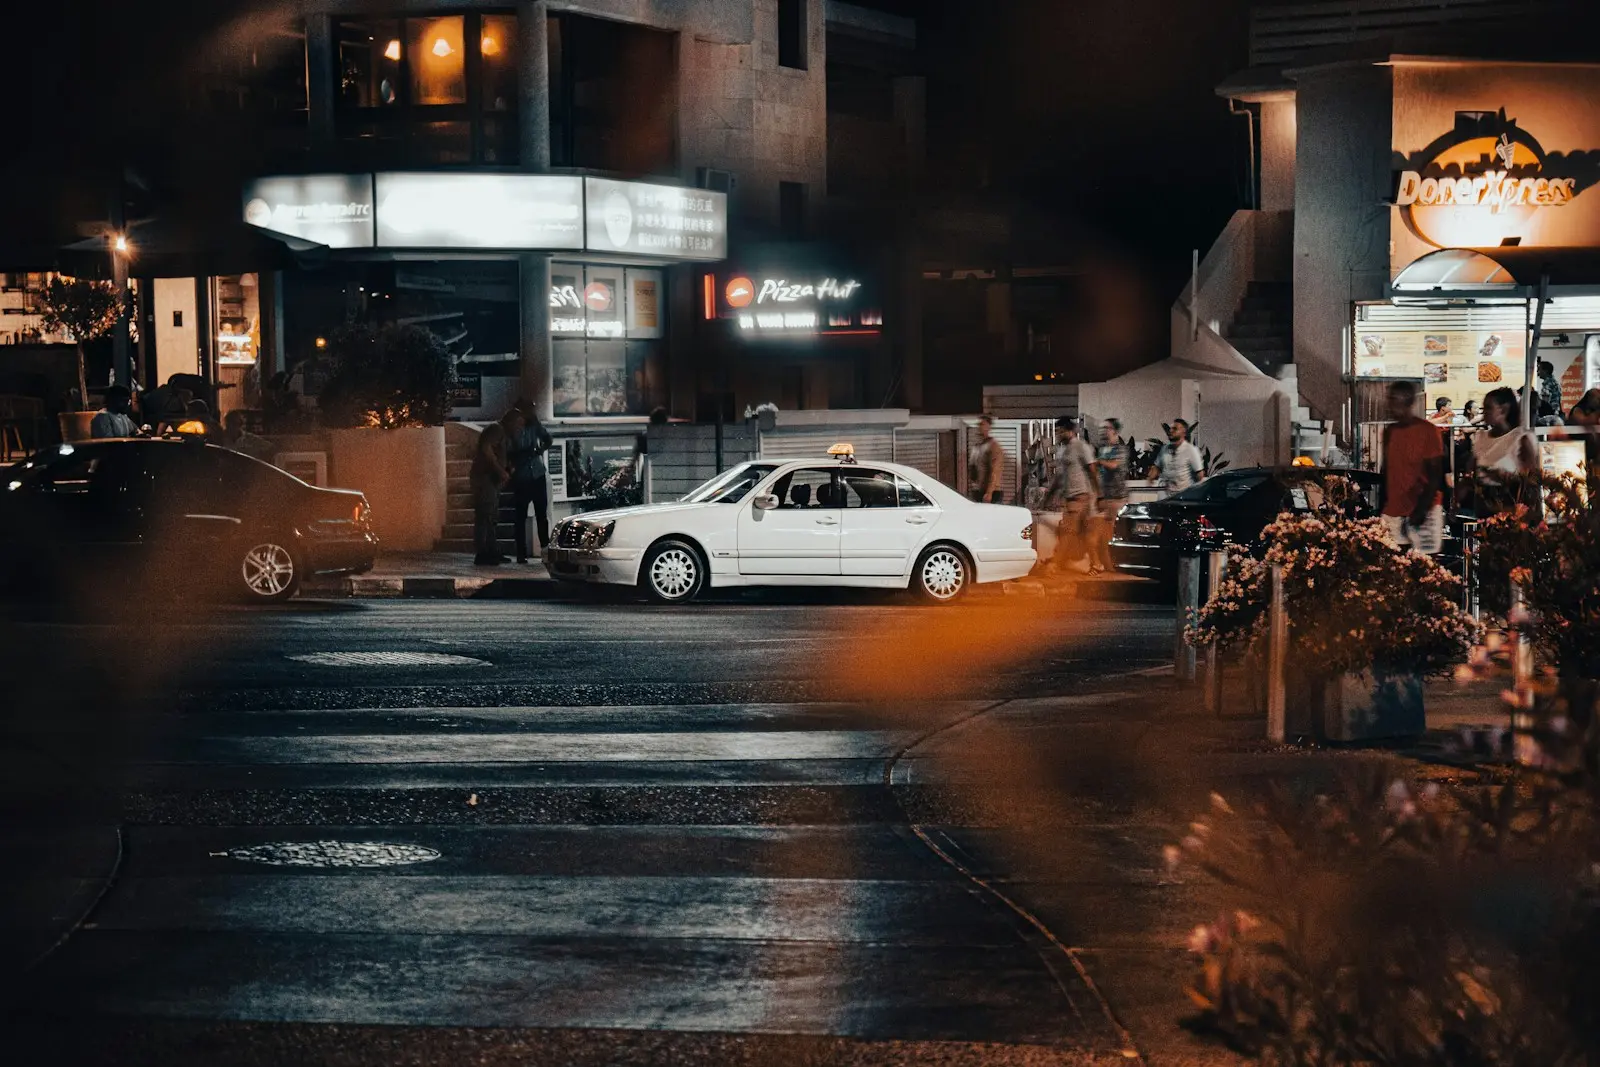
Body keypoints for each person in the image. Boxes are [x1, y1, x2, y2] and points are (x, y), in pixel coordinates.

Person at [1378, 380, 1444, 554]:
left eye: (1394, 398)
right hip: (1394, 508)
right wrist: (1382, 505)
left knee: (1424, 563)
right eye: (1389, 399)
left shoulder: (1428, 431)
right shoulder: (1390, 431)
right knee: (1392, 560)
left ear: (1408, 400)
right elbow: (1387, 471)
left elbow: (1435, 474)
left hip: (1423, 508)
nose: (1389, 404)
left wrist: (1422, 509)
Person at [1471, 386, 1539, 517]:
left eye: (1488, 408)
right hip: (1483, 504)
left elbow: (1533, 479)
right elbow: (1472, 469)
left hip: (1509, 505)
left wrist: (1507, 477)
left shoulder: (1521, 438)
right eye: (1483, 408)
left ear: (1504, 409)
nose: (1484, 413)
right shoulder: (1480, 437)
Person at [504, 404, 554, 564]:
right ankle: (521, 552)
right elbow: (509, 453)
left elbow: (548, 439)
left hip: (537, 474)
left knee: (541, 515)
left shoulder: (534, 427)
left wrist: (540, 450)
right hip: (522, 476)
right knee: (520, 516)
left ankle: (545, 549)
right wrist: (524, 454)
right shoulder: (511, 432)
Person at [1048, 417, 1099, 573]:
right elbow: (1059, 476)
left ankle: (1055, 564)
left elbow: (1092, 470)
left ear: (1069, 431)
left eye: (1060, 431)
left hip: (1081, 496)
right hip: (1070, 497)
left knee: (1067, 532)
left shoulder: (1081, 446)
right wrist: (1050, 495)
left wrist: (1099, 495)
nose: (1057, 434)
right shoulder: (1062, 450)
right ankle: (1096, 564)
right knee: (1083, 535)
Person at [1091, 418, 1130, 574]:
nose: (1103, 431)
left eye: (1106, 428)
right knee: (1100, 534)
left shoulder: (1121, 449)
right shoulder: (1102, 449)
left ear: (1114, 430)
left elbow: (1114, 465)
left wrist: (1099, 462)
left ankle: (1113, 566)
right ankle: (1106, 565)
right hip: (1104, 497)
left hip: (1117, 498)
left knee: (1113, 534)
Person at [471, 420, 511, 565]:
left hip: (491, 481)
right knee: (485, 516)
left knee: (491, 517)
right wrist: (500, 471)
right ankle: (483, 552)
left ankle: (492, 550)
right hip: (485, 479)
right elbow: (486, 448)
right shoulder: (497, 430)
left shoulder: (503, 434)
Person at [1155, 418, 1205, 495]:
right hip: (1165, 496)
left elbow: (1200, 475)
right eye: (1171, 428)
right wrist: (1150, 477)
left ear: (1183, 432)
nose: (1171, 430)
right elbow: (1157, 467)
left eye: (1175, 429)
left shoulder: (1191, 450)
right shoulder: (1164, 449)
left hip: (1183, 496)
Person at [968, 415, 1004, 503]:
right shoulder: (977, 447)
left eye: (982, 424)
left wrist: (989, 492)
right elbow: (973, 469)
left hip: (992, 492)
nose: (979, 427)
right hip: (978, 490)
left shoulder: (993, 446)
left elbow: (995, 470)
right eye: (979, 425)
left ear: (989, 427)